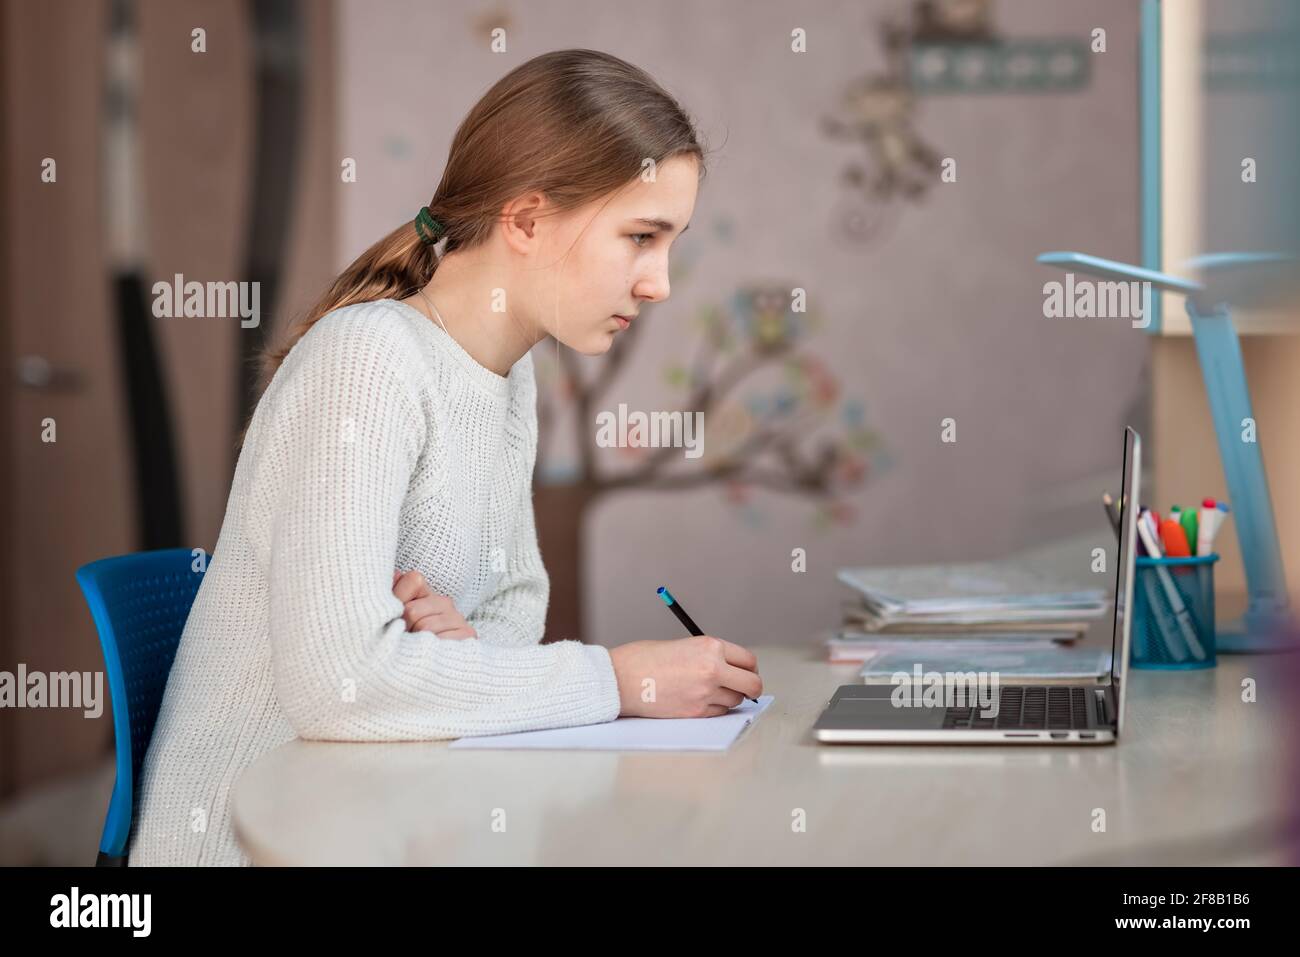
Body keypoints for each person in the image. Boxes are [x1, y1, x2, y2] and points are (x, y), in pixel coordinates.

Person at [129, 49, 762, 867]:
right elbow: (341, 684)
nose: (660, 284)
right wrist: (620, 680)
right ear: (527, 220)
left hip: (389, 821)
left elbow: (513, 609)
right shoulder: (367, 361)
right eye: (641, 237)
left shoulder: (506, 375)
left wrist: (447, 656)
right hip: (255, 847)